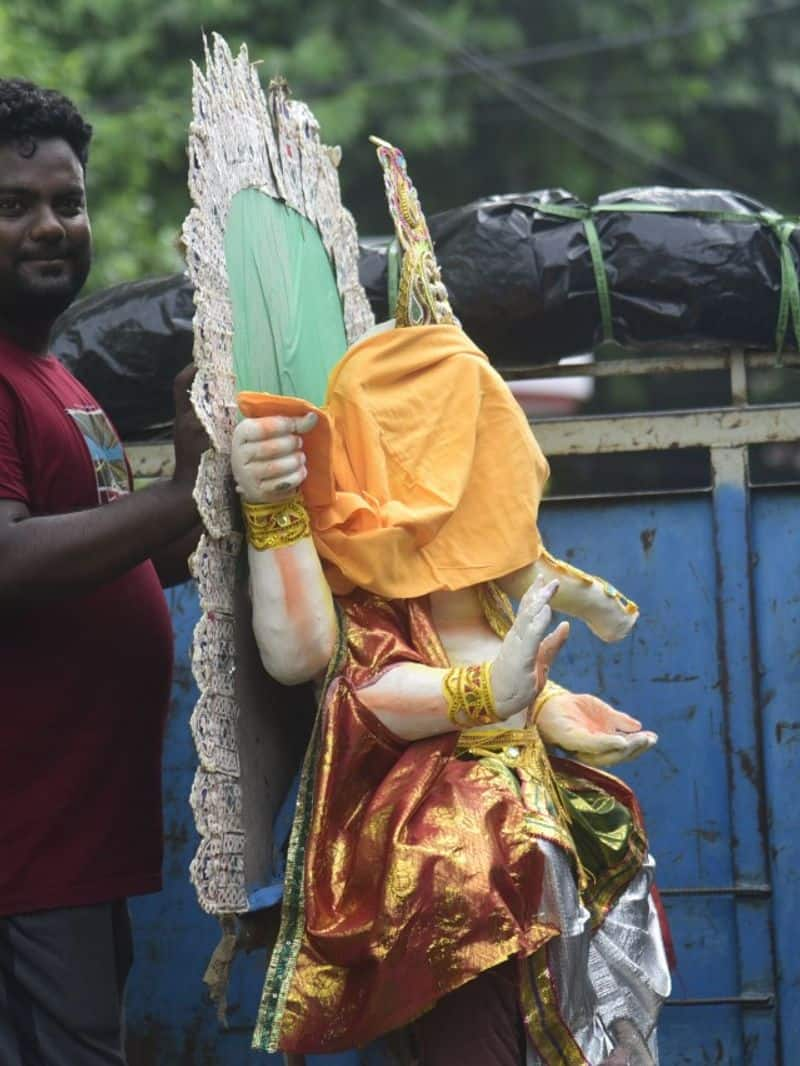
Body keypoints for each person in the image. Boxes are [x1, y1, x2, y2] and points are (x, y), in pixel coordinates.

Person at [227, 141, 670, 1065]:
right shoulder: (356, 553)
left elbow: (512, 627)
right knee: (472, 885)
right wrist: (273, 503)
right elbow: (342, 677)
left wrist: (554, 709)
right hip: (436, 843)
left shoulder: (472, 556)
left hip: (530, 820)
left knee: (596, 862)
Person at [0, 78, 207, 1065]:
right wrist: (178, 498)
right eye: (13, 206)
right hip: (22, 851)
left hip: (77, 843)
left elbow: (121, 555)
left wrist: (212, 490)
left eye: (67, 203)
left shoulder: (58, 378)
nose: (50, 225)